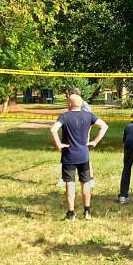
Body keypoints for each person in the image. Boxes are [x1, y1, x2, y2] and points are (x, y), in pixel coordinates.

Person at [50, 88, 108, 221]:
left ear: (70, 104)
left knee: (70, 184)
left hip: (69, 155)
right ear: (81, 104)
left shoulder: (64, 116)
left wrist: (59, 145)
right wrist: (94, 142)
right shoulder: (88, 115)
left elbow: (53, 129)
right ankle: (87, 212)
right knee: (85, 183)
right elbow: (104, 126)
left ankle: (71, 213)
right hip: (83, 155)